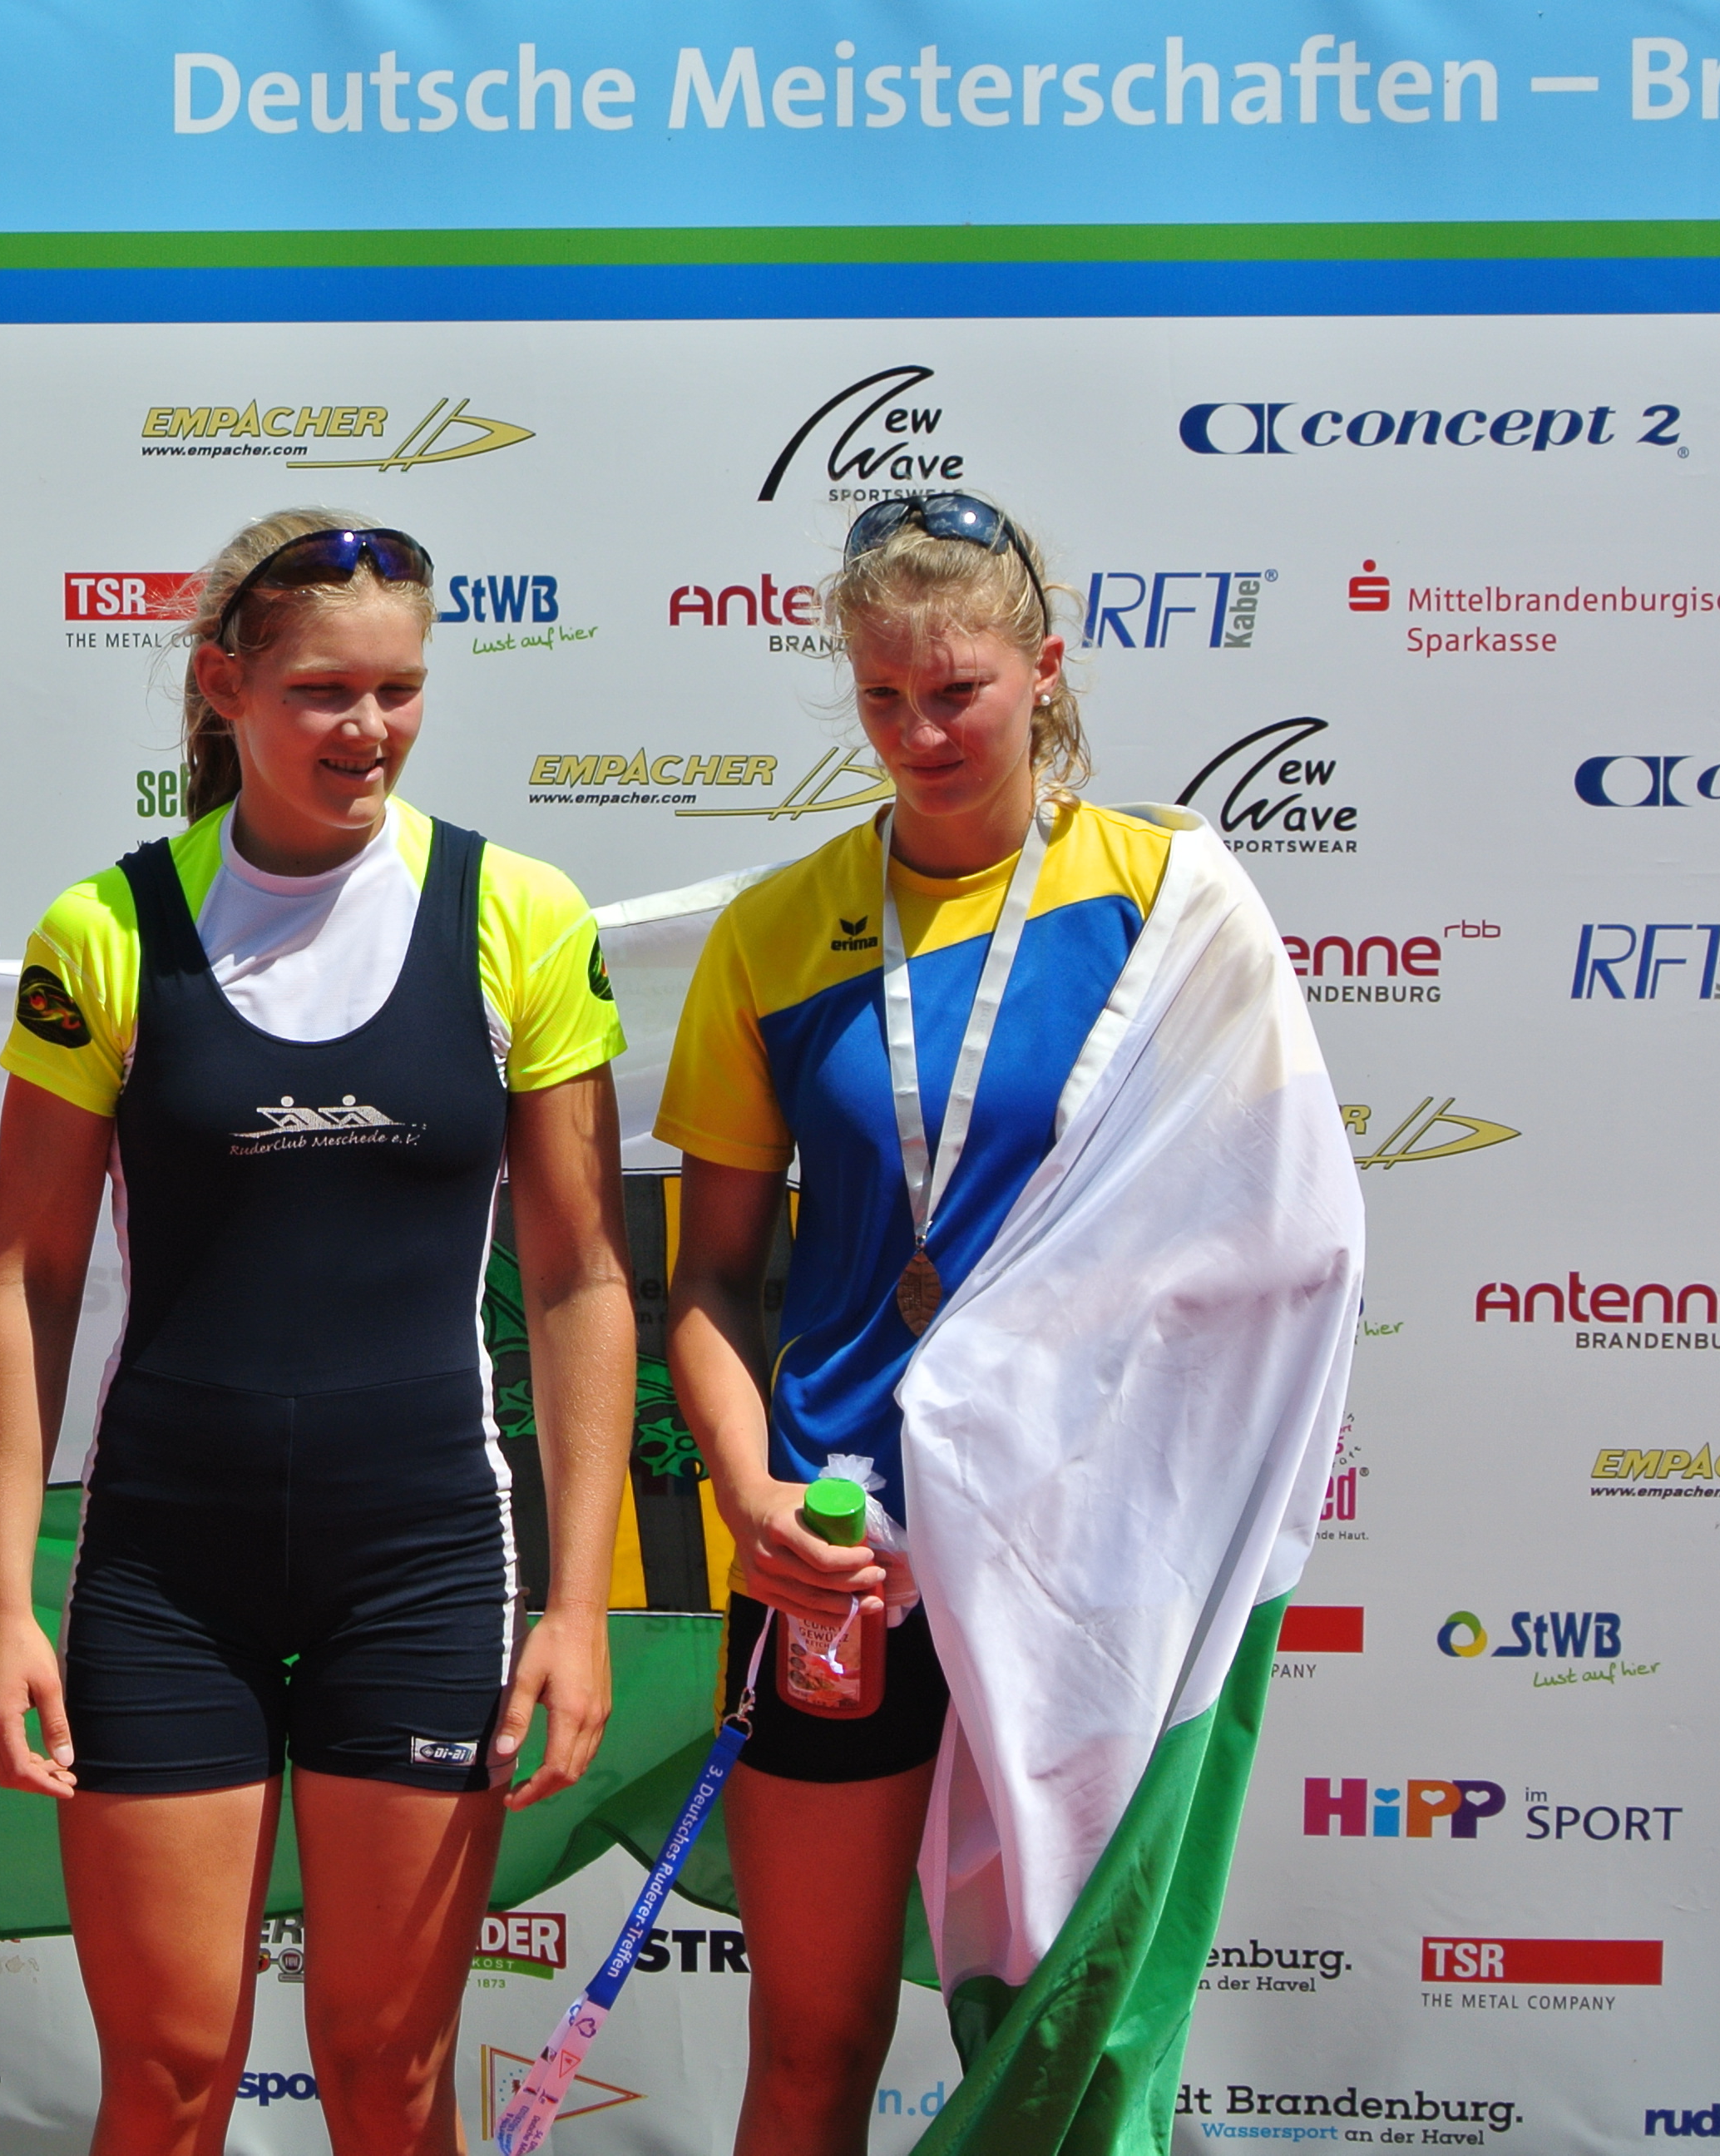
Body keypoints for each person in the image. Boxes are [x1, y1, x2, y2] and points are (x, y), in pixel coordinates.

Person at [655, 495, 1358, 2155]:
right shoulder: (777, 931)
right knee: (811, 2044)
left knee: (1074, 2033)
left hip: (1081, 1555)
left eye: (956, 691)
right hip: (839, 1546)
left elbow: (1285, 1236)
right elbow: (708, 1278)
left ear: (1043, 672)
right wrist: (750, 1497)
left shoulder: (1171, 902)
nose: (918, 733)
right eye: (882, 697)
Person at [0, 510, 636, 2156]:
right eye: (325, 690)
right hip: (162, 1571)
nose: (368, 728)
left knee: (390, 2079)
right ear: (225, 688)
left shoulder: (518, 911)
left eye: (398, 689)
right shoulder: (106, 929)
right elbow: (24, 1279)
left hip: (421, 1559)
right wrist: (2, 1604)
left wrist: (577, 1606)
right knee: (168, 2081)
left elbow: (579, 1281)